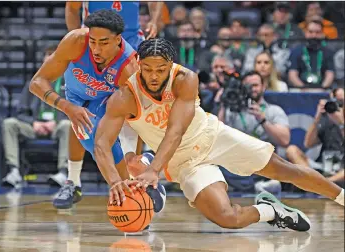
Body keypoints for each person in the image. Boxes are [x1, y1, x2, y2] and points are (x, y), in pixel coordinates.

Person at [94, 38, 344, 232]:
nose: (154, 75)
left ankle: (342, 197)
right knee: (228, 219)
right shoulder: (124, 97)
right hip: (182, 162)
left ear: (170, 66)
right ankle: (271, 212)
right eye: (148, 69)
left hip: (212, 136)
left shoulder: (185, 78)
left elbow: (176, 129)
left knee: (286, 170)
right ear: (138, 63)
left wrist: (153, 169)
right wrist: (115, 181)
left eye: (161, 69)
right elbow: (102, 144)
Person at [29, 10, 165, 213]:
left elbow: (133, 120)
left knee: (106, 145)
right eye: (93, 41)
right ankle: (107, 187)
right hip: (75, 98)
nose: (96, 48)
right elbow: (36, 82)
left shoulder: (129, 68)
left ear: (118, 39)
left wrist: (132, 158)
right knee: (87, 133)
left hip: (107, 100)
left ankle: (134, 184)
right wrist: (67, 107)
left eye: (103, 42)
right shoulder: (76, 41)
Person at [2, 45, 70, 188]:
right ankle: (13, 171)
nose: (50, 61)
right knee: (9, 124)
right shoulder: (33, 82)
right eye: (47, 58)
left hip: (57, 126)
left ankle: (63, 173)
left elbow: (74, 111)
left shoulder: (69, 83)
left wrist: (56, 121)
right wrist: (33, 123)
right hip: (34, 126)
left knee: (68, 126)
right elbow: (20, 111)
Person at [286, 88, 344, 187]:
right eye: (335, 100)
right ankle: (315, 181)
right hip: (323, 166)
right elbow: (308, 143)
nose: (337, 105)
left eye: (341, 101)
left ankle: (323, 184)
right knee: (292, 150)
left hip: (342, 170)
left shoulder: (340, 120)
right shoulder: (327, 119)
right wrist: (317, 118)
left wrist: (341, 123)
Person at [65, 1, 163, 49]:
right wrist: (76, 36)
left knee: (134, 84)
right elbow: (72, 8)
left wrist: (154, 21)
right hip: (95, 39)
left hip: (131, 38)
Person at [288, 20, 335, 90]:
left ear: (322, 34)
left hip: (322, 89)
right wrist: (304, 89)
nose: (314, 35)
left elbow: (330, 74)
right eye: (310, 32)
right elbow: (292, 74)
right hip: (300, 89)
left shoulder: (328, 52)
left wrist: (322, 89)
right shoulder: (296, 51)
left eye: (317, 32)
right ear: (305, 33)